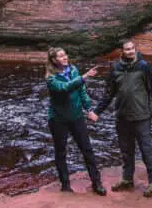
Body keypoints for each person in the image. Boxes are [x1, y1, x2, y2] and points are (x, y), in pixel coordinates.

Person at [94, 39, 152, 196]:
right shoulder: (115, 68)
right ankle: (127, 179)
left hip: (141, 116)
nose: (130, 51)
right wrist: (97, 111)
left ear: (135, 49)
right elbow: (108, 93)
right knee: (126, 150)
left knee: (147, 149)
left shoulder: (143, 66)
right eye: (127, 49)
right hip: (122, 116)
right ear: (122, 51)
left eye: (132, 48)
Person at [45, 46, 106, 195]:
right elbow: (64, 88)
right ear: (54, 60)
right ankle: (65, 184)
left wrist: (89, 109)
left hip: (77, 116)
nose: (65, 57)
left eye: (65, 54)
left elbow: (81, 91)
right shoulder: (50, 78)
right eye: (60, 56)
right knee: (61, 152)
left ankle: (96, 183)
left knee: (87, 149)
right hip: (58, 119)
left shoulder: (73, 70)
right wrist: (84, 77)